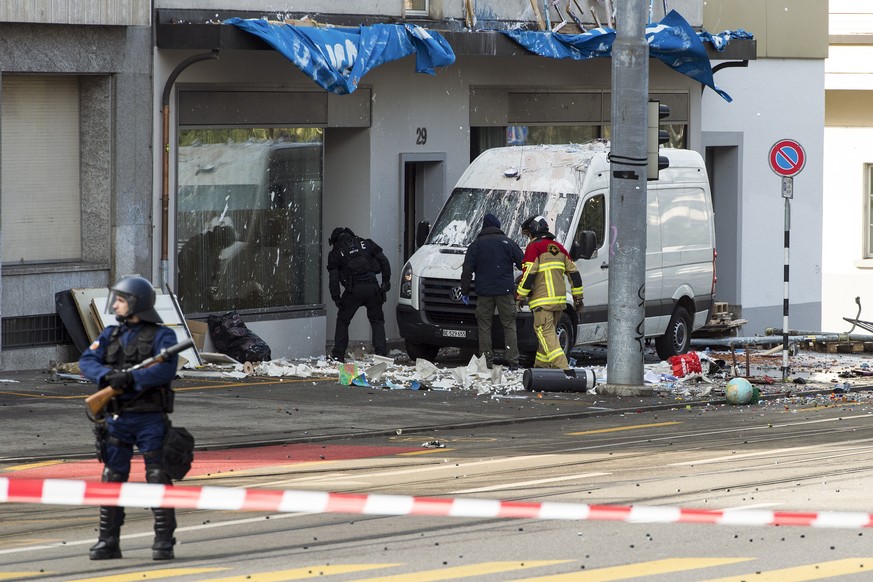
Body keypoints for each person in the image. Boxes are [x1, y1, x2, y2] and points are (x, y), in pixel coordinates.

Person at [79, 276, 181, 561]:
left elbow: (164, 371)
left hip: (149, 418)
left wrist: (131, 378)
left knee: (158, 477)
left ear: (137, 303)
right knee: (112, 478)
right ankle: (108, 540)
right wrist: (108, 377)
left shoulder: (164, 337)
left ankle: (164, 542)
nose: (116, 305)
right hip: (117, 417)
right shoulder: (110, 334)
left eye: (122, 300)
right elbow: (86, 361)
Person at [516, 216, 584, 369]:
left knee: (547, 337)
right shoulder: (559, 248)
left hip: (542, 302)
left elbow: (529, 274)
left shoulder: (534, 248)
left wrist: (520, 296)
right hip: (559, 303)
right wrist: (578, 298)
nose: (528, 238)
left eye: (528, 234)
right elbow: (574, 274)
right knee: (546, 339)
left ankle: (564, 370)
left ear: (533, 232)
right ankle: (540, 369)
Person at [459, 213, 524, 368]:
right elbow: (523, 264)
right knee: (509, 325)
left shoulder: (476, 245)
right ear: (498, 226)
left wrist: (465, 291)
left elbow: (467, 270)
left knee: (484, 326)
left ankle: (487, 361)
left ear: (484, 227)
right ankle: (513, 361)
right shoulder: (508, 243)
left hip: (484, 293)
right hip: (505, 291)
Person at [327, 227, 391, 362]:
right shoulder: (366, 243)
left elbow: (333, 278)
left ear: (335, 240)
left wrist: (336, 297)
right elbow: (384, 261)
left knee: (343, 321)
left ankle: (338, 355)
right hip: (372, 287)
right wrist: (386, 281)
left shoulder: (336, 252)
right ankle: (381, 355)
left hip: (353, 290)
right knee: (377, 321)